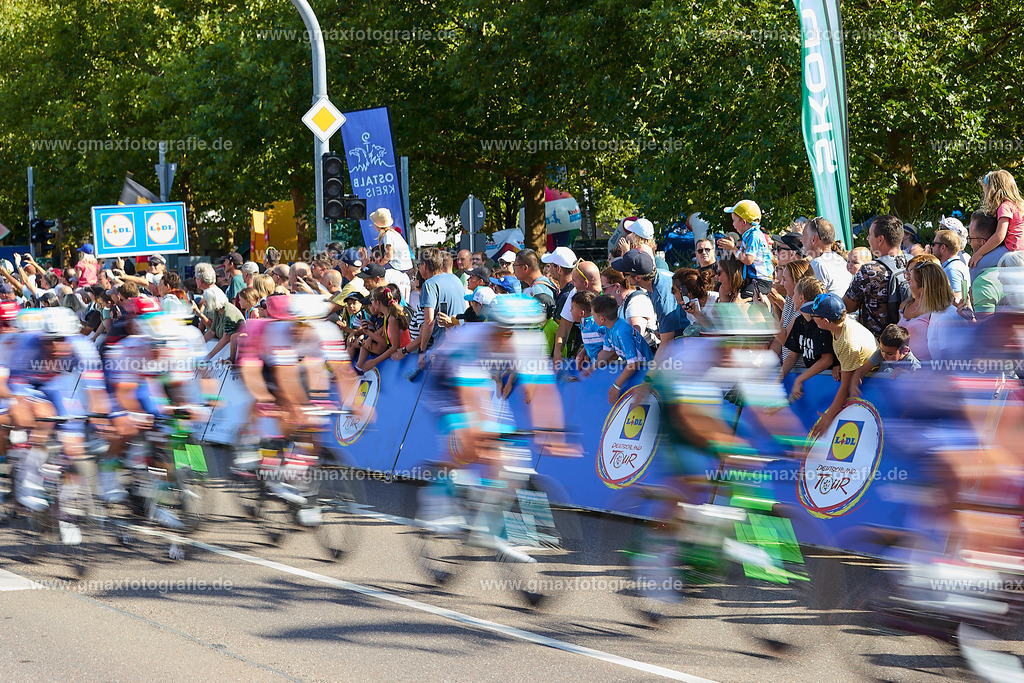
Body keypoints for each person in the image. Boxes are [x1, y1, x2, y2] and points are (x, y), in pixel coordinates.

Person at [806, 293, 878, 439]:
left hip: (873, 381)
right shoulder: (841, 325)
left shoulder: (847, 342)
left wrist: (828, 417)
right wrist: (840, 363)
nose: (812, 318)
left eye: (814, 315)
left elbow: (845, 387)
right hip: (861, 371)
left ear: (825, 320)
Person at [396, 247, 466, 367]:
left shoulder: (429, 285)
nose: (418, 268)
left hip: (440, 349)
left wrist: (422, 351)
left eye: (419, 265)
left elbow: (428, 322)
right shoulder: (456, 279)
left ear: (424, 266)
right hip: (461, 341)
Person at [843, 214, 910, 337]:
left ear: (880, 239)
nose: (868, 238)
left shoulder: (871, 269)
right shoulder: (913, 263)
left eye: (870, 235)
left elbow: (847, 306)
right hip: (909, 338)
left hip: (878, 343)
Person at [586, 294, 654, 404]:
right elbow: (607, 352)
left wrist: (616, 385)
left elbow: (633, 364)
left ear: (602, 319)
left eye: (593, 315)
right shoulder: (610, 327)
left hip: (646, 371)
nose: (592, 318)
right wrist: (592, 367)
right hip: (640, 370)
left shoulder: (621, 332)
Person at [611, 249, 681, 352]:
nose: (624, 278)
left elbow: (667, 343)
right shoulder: (657, 277)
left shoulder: (662, 296)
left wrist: (654, 368)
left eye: (625, 274)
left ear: (638, 277)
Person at [779, 277, 836, 401]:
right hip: (812, 380)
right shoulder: (799, 320)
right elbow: (793, 355)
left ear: (801, 297)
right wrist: (778, 380)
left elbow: (827, 360)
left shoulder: (821, 322)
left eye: (794, 293)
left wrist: (800, 379)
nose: (791, 297)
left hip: (827, 382)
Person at [717, 199, 774, 298]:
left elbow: (748, 260)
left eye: (734, 221)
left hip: (761, 281)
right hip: (753, 279)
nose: (733, 224)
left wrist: (733, 248)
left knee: (744, 303)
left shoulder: (754, 236)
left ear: (743, 222)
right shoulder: (749, 235)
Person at [970, 169, 1024, 269]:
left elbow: (999, 236)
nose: (984, 195)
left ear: (993, 190)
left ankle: (974, 285)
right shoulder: (1019, 206)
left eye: (985, 190)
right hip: (1021, 248)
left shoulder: (1005, 207)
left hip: (1011, 249)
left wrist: (979, 254)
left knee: (976, 266)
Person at [353, 286, 411, 373]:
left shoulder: (392, 318)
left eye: (371, 301)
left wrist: (374, 361)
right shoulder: (387, 316)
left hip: (407, 356)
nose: (370, 304)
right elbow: (384, 341)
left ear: (377, 302)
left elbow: (395, 346)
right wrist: (367, 332)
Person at [850, 324, 921, 394]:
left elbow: (919, 385)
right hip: (883, 395)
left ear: (904, 350)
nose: (884, 355)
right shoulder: (881, 353)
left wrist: (904, 373)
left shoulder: (913, 363)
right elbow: (861, 370)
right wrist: (854, 385)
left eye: (890, 354)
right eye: (882, 350)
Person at [601, 267, 659, 348]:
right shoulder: (622, 303)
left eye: (604, 288)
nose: (603, 293)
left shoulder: (636, 301)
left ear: (617, 286)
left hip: (648, 357)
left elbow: (633, 337)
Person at [802, 217, 852, 296]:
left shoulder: (818, 264)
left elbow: (811, 301)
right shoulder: (841, 261)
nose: (802, 240)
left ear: (813, 239)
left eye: (804, 236)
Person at [671, 268, 719, 337]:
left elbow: (714, 331)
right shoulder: (690, 305)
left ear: (685, 292)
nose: (671, 293)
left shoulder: (716, 301)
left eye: (674, 290)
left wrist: (696, 313)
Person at [931, 229, 970, 302]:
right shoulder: (954, 266)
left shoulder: (952, 270)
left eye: (933, 244)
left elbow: (956, 302)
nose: (931, 247)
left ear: (943, 247)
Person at [370, 208, 414, 272]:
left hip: (398, 266)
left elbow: (389, 255)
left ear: (377, 225)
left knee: (375, 273)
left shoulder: (387, 235)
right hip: (406, 266)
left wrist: (379, 266)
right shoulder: (393, 233)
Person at [570, 290, 605, 368]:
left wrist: (604, 354)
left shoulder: (595, 323)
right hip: (595, 364)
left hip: (608, 365)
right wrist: (586, 352)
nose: (570, 311)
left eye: (572, 308)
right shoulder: (583, 324)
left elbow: (611, 337)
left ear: (581, 313)